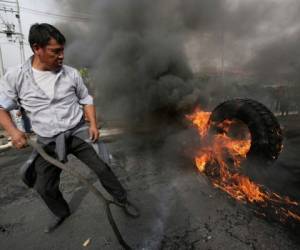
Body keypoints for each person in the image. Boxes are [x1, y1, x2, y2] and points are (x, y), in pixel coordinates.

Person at [0, 23, 128, 233]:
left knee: (102, 167)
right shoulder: (16, 77)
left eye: (62, 50)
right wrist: (14, 132)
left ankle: (122, 199)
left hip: (77, 132)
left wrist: (93, 124)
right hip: (47, 141)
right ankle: (61, 212)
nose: (61, 56)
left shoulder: (71, 74)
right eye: (55, 51)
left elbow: (86, 99)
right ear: (36, 48)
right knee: (44, 186)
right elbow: (1, 107)